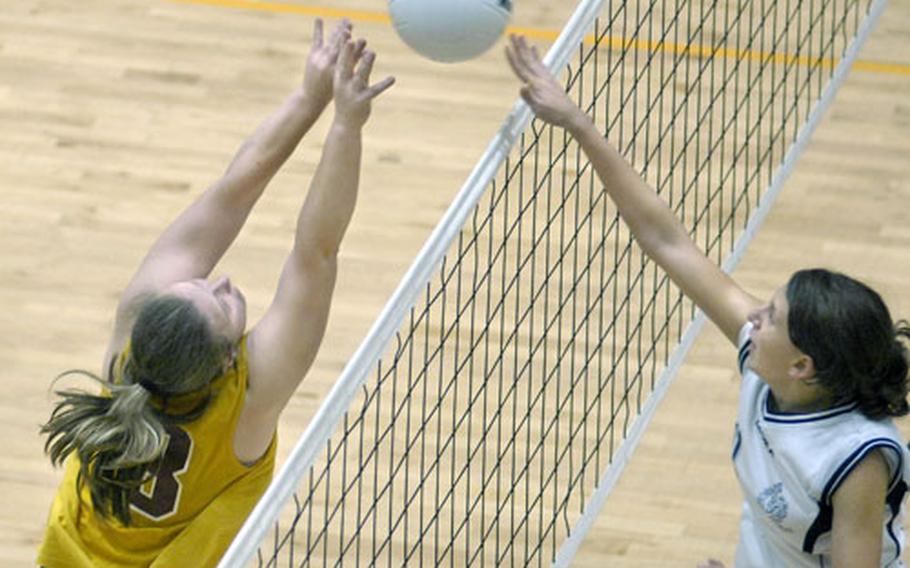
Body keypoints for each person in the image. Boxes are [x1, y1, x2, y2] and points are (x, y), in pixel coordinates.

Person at [505, 34, 910, 567]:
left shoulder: (855, 460)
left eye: (770, 317)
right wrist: (578, 122)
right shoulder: (772, 368)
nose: (752, 317)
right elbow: (666, 240)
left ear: (802, 366)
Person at [36, 19, 394, 567]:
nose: (222, 279)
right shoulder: (245, 407)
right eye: (223, 302)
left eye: (203, 285)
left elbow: (234, 193)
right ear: (228, 359)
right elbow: (315, 253)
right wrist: (346, 124)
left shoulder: (132, 341)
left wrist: (309, 97)